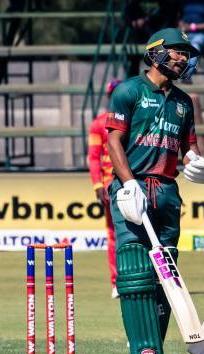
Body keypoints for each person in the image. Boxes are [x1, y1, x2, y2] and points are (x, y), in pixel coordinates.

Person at [106, 28, 204, 354]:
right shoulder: (129, 91)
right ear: (155, 52)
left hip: (167, 192)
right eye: (177, 51)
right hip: (132, 190)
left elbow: (189, 149)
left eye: (186, 53)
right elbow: (114, 141)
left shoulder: (184, 102)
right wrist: (129, 182)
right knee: (136, 272)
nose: (183, 58)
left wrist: (198, 162)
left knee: (165, 280)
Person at [87, 79, 123, 299]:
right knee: (113, 234)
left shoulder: (136, 119)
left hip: (134, 184)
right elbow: (93, 157)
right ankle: (117, 281)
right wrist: (98, 185)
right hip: (111, 186)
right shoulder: (98, 123)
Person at [179, 0, 204, 82]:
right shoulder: (185, 3)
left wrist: (193, 27)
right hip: (184, 33)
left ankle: (187, 74)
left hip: (200, 34)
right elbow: (180, 19)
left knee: (194, 47)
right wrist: (181, 26)